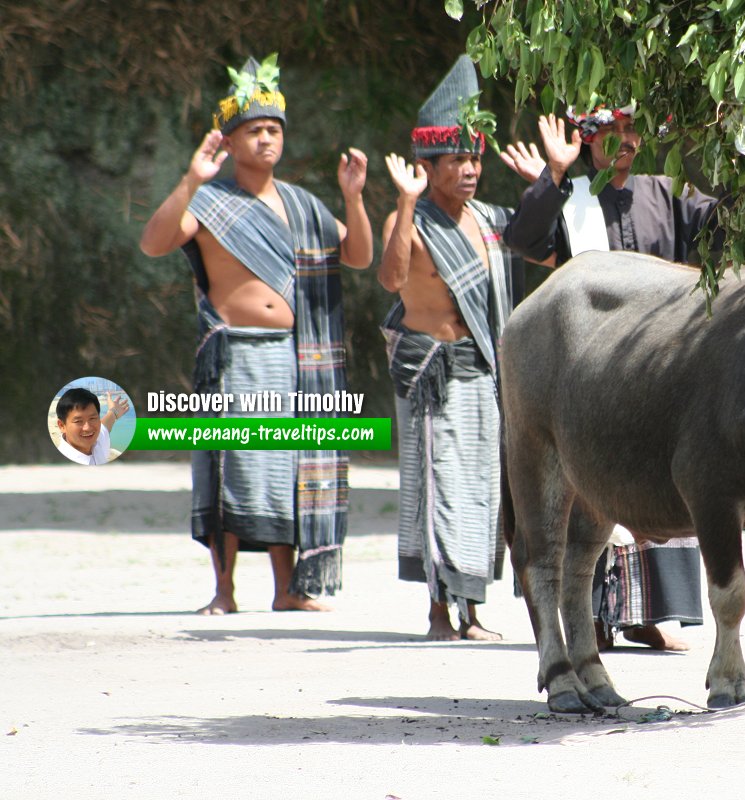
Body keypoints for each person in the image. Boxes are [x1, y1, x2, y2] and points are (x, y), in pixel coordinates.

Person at [139, 55, 372, 615]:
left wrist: (354, 198)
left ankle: (289, 589)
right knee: (232, 467)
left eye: (273, 130)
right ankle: (224, 590)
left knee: (288, 470)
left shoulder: (304, 206)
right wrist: (193, 179)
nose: (266, 139)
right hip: (236, 356)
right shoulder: (212, 203)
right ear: (231, 140)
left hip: (296, 359)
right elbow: (154, 242)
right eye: (254, 130)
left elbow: (360, 257)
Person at [500, 102, 725, 652]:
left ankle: (646, 616)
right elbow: (523, 240)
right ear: (586, 139)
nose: (621, 140)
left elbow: (727, 226)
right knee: (587, 488)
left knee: (661, 480)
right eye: (608, 131)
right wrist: (554, 174)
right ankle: (590, 623)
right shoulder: (571, 197)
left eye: (630, 129)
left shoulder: (669, 193)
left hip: (657, 358)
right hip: (591, 365)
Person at [378, 56, 524, 641]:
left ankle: (472, 611)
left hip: (484, 373)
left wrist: (552, 180)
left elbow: (542, 244)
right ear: (427, 166)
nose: (468, 170)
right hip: (432, 374)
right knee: (437, 485)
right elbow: (391, 278)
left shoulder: (488, 220)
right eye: (456, 160)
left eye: (473, 158)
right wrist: (408, 201)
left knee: (482, 488)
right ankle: (440, 613)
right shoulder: (412, 218)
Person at [54, 388, 129, 466]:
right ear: (62, 426)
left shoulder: (98, 440)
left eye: (92, 418)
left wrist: (114, 411)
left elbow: (105, 425)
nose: (88, 428)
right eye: (78, 421)